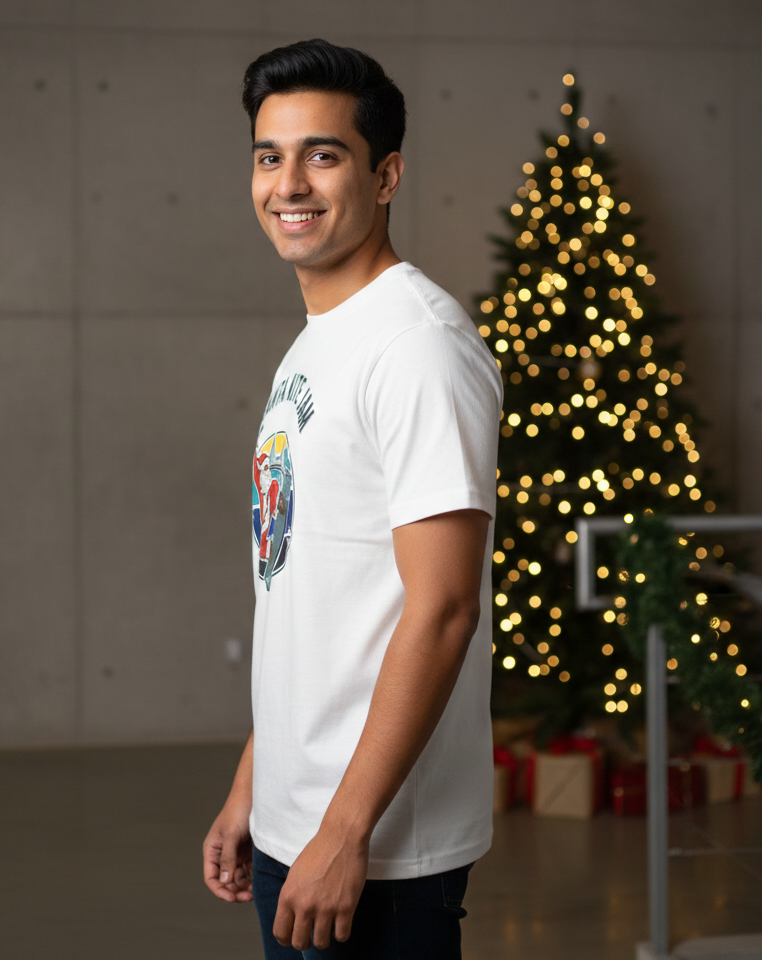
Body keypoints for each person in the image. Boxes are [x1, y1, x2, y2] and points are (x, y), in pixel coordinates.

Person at [202, 38, 502, 959]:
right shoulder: (320, 338)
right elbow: (306, 588)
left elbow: (444, 609)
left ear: (386, 176)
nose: (288, 184)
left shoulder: (417, 346)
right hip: (298, 818)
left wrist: (344, 830)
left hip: (377, 846)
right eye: (269, 157)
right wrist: (255, 785)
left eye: (322, 154)